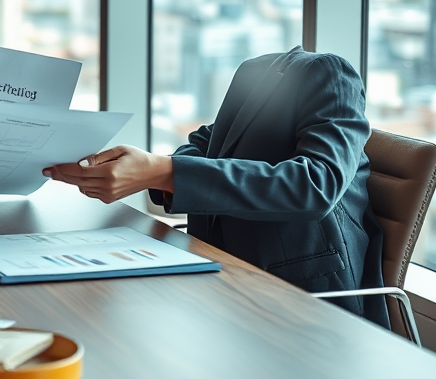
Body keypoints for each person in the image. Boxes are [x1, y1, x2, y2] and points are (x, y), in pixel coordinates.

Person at [43, 46, 389, 328]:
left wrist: (164, 172)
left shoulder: (329, 72)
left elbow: (315, 185)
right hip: (222, 283)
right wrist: (157, 174)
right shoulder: (256, 71)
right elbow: (205, 143)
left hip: (306, 303)